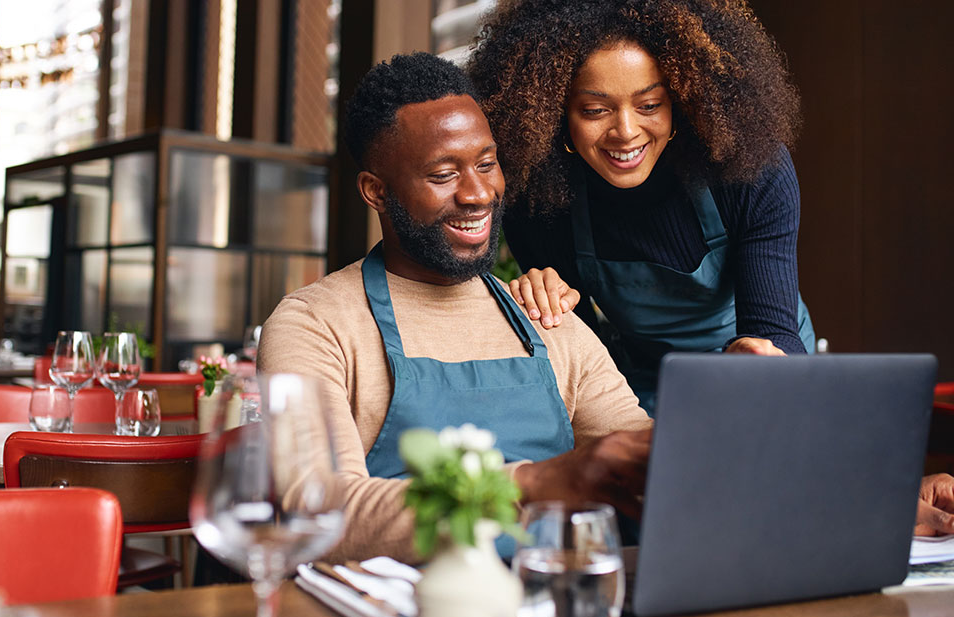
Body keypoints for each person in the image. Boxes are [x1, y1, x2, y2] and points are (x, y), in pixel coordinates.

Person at [258, 53, 653, 563]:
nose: (478, 194)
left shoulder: (546, 314)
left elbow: (638, 458)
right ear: (376, 192)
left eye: (487, 164)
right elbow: (318, 508)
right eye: (444, 174)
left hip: (555, 613)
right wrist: (534, 483)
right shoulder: (314, 325)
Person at [467, 0, 815, 416]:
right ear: (555, 112)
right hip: (645, 383)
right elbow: (585, 361)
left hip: (763, 372)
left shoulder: (750, 170)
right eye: (595, 110)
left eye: (649, 105)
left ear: (682, 102)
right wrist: (544, 304)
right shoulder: (541, 201)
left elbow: (775, 335)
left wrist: (753, 357)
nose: (626, 132)